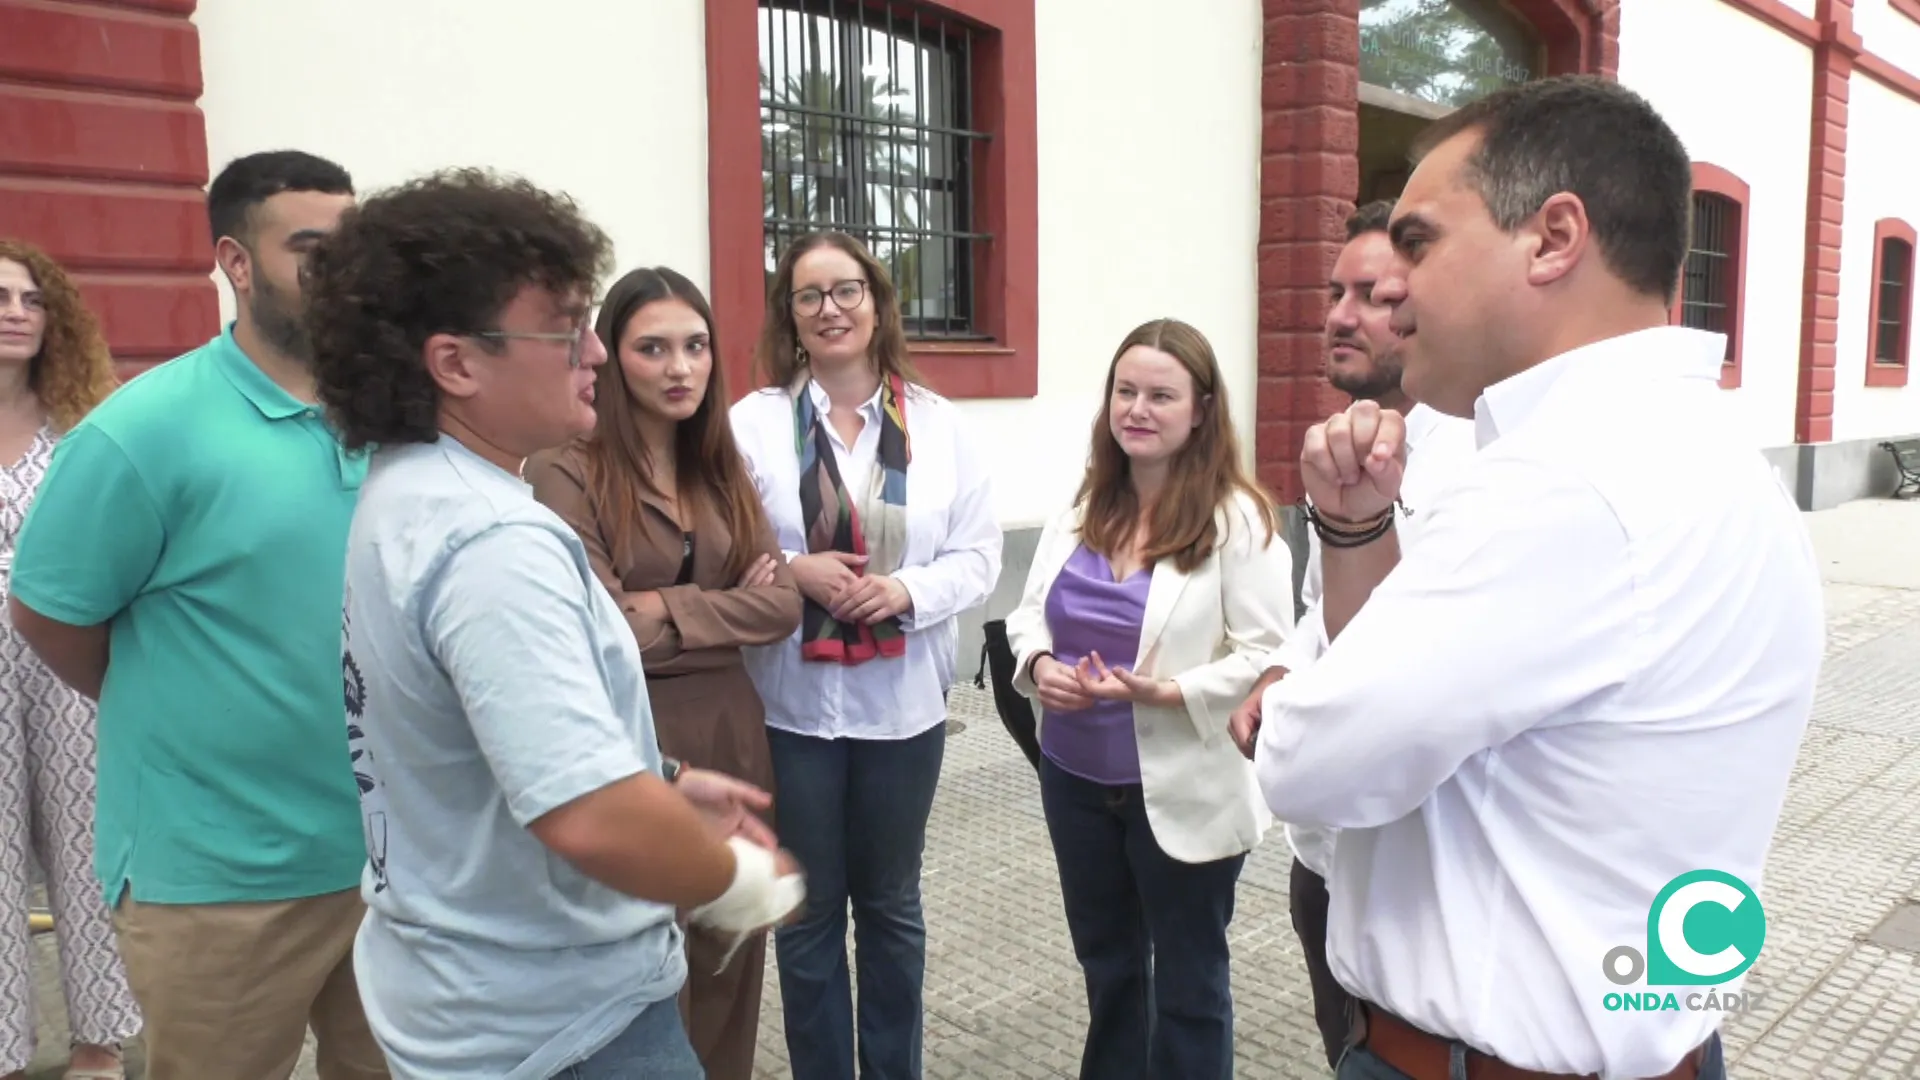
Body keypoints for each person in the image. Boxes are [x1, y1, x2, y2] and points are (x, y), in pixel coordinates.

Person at [1254, 75, 1822, 1080]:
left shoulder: (1564, 484)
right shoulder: (1712, 460)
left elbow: (1313, 768)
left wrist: (1297, 700)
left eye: (1421, 243)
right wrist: (1356, 541)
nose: (1397, 289)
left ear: (1555, 238)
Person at [305, 168, 804, 1080]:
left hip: (469, 998)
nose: (598, 354)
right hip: (564, 1024)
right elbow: (590, 818)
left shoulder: (409, 491)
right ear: (455, 363)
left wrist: (661, 775)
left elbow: (490, 730)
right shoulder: (495, 538)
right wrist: (736, 883)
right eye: (566, 328)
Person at [7, 152, 388, 1080]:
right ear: (236, 261)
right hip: (217, 883)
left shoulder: (395, 418)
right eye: (309, 250)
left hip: (392, 865)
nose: (338, 274)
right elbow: (52, 618)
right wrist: (178, 702)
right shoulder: (141, 432)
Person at [729, 231, 1002, 1080]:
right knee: (805, 917)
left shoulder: (941, 426)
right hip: (792, 708)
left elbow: (981, 556)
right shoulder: (754, 424)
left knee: (889, 909)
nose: (830, 309)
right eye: (809, 296)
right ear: (792, 319)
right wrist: (792, 570)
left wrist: (907, 593)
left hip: (902, 710)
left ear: (879, 303)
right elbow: (725, 551)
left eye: (846, 291)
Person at [527, 264, 803, 1079]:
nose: (680, 367)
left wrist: (665, 608)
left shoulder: (720, 463)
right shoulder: (566, 468)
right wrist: (717, 607)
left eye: (696, 346)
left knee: (731, 955)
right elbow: (602, 626)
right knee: (646, 968)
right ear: (611, 356)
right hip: (632, 738)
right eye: (653, 348)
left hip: (731, 730)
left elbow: (783, 603)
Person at [1223, 200, 1478, 1071]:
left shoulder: (1478, 463)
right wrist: (1282, 672)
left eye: (1371, 294)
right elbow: (1316, 614)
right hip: (1324, 865)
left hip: (1420, 882)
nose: (1337, 314)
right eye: (1337, 291)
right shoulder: (1342, 441)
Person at [1003, 317, 1292, 1080]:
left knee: (1191, 987)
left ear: (1200, 409)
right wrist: (1038, 663)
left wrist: (1169, 690)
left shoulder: (1240, 521)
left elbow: (1271, 653)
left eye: (1161, 395)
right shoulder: (1083, 507)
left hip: (1181, 788)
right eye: (1124, 391)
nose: (1137, 409)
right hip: (1074, 780)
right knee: (1111, 972)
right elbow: (1027, 612)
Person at [0, 241, 139, 1080]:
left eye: (30, 299)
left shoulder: (88, 424)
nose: (16, 310)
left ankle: (100, 1037)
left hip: (64, 653)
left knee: (88, 846)